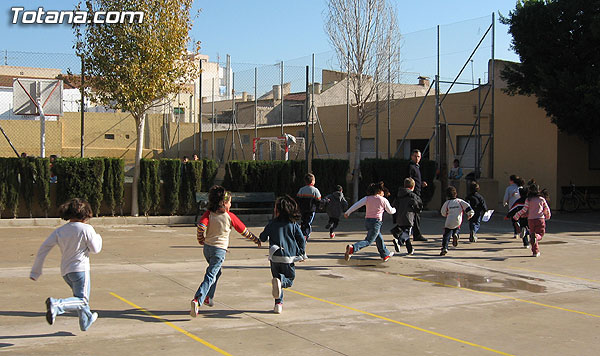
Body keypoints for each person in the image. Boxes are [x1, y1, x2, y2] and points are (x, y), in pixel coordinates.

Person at [30, 198, 102, 331]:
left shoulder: (60, 231)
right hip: (80, 270)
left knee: (78, 298)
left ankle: (86, 321)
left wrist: (35, 271)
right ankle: (57, 305)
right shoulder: (86, 229)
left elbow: (44, 248)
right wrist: (98, 237)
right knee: (83, 300)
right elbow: (95, 249)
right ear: (86, 214)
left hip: (66, 272)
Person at [191, 185, 261, 317]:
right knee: (211, 275)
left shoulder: (209, 214)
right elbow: (244, 231)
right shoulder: (229, 216)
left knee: (216, 272)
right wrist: (255, 239)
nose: (231, 204)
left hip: (207, 249)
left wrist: (201, 239)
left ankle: (208, 297)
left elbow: (201, 226)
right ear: (223, 203)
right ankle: (197, 299)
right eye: (229, 202)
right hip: (219, 251)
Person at [259, 195, 307, 314]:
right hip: (288, 257)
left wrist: (261, 237)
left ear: (277, 210)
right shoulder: (293, 224)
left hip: (274, 257)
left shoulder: (272, 223)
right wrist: (302, 253)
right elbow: (301, 239)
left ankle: (278, 304)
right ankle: (281, 283)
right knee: (289, 279)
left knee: (277, 279)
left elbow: (263, 237)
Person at [343, 181, 396, 262]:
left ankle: (385, 254)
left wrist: (348, 212)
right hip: (376, 222)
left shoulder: (367, 198)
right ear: (379, 191)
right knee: (368, 241)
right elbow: (390, 211)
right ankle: (353, 248)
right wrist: (395, 210)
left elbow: (357, 205)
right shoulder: (383, 200)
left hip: (368, 222)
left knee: (378, 237)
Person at [513, 184, 551, 257]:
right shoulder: (541, 199)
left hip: (530, 220)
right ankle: (536, 236)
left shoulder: (528, 199)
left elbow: (524, 210)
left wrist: (516, 216)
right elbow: (546, 209)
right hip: (540, 219)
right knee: (540, 234)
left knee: (532, 235)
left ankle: (535, 252)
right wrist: (547, 216)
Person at [390, 177, 422, 255]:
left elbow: (394, 204)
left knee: (405, 232)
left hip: (399, 216)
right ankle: (399, 241)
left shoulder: (399, 194)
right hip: (408, 217)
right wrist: (417, 209)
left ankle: (410, 249)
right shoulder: (412, 195)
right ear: (412, 187)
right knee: (407, 232)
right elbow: (417, 205)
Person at [439, 186, 474, 256]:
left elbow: (443, 212)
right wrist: (470, 214)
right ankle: (456, 234)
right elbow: (468, 207)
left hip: (449, 221)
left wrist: (446, 214)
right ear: (456, 194)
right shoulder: (460, 201)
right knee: (457, 227)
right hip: (457, 220)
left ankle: (444, 248)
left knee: (446, 235)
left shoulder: (447, 203)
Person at [407, 149, 428, 242]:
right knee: (415, 214)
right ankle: (415, 234)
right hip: (414, 194)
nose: (417, 158)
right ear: (411, 156)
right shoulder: (411, 167)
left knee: (416, 214)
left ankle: (416, 234)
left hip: (418, 192)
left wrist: (421, 183)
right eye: (415, 156)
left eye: (418, 156)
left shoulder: (417, 167)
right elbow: (409, 179)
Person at [296, 173, 321, 240]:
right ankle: (306, 234)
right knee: (308, 222)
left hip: (303, 209)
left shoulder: (302, 189)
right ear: (313, 181)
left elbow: (298, 199)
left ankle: (302, 233)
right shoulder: (315, 190)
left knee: (303, 221)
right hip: (311, 210)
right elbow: (319, 200)